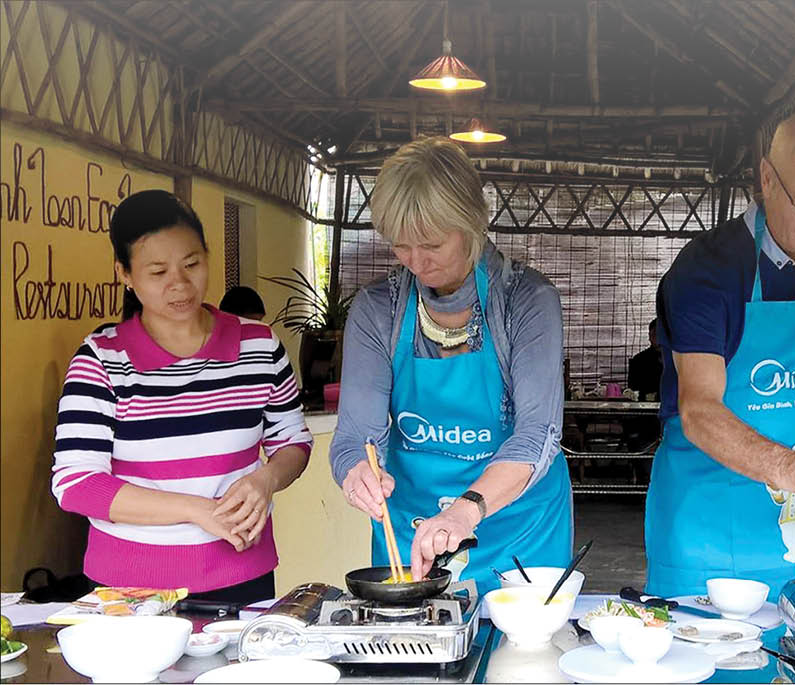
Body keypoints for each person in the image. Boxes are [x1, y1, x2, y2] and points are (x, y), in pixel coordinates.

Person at [645, 108, 795, 599]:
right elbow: (699, 409)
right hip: (711, 526)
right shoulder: (706, 270)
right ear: (767, 179)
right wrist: (791, 470)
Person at [331, 137, 572, 590]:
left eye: (432, 244)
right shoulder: (378, 310)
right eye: (401, 245)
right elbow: (354, 436)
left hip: (519, 534)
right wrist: (356, 470)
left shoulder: (526, 301)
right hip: (415, 534)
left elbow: (538, 433)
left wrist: (466, 509)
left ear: (471, 223)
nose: (416, 262)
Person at [51, 190, 312, 604]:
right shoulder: (101, 360)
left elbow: (293, 440)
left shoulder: (259, 345)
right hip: (131, 585)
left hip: (243, 573)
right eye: (157, 272)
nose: (180, 284)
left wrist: (267, 480)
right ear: (124, 274)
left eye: (192, 264)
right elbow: (76, 484)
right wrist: (196, 510)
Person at [627, 319, 663, 402]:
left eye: (660, 334)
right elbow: (633, 391)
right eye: (654, 334)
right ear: (649, 336)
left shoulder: (677, 358)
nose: (658, 338)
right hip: (646, 405)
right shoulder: (638, 360)